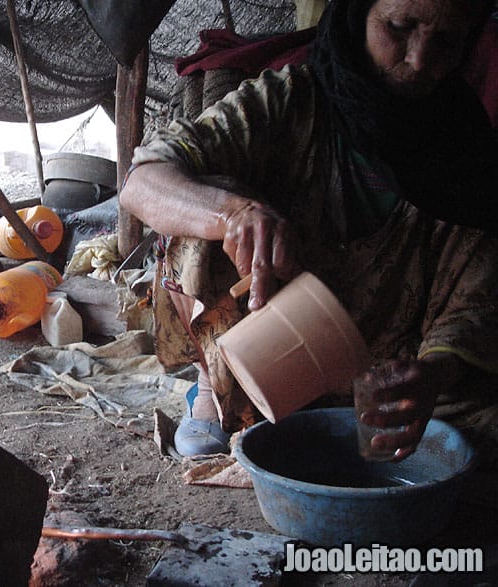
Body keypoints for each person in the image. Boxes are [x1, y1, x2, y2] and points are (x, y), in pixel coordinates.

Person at [120, 0, 498, 463]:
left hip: (384, 360)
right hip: (262, 335)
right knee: (198, 211)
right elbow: (143, 182)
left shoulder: (466, 152)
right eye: (400, 27)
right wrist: (235, 214)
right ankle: (218, 392)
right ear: (359, 16)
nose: (419, 60)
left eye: (444, 42)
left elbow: (474, 293)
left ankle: (363, 409)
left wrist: (430, 377)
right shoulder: (288, 101)